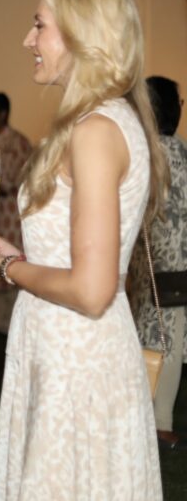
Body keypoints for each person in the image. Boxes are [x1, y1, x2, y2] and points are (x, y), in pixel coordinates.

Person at [0, 0, 167, 500]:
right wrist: (21, 255)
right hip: (59, 351)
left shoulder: (96, 131)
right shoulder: (99, 122)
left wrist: (5, 270)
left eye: (39, 26)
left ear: (80, 36)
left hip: (78, 364)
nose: (28, 40)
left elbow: (93, 289)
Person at [129, 76, 187, 450]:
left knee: (148, 342)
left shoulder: (141, 152)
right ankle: (159, 426)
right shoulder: (179, 152)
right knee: (168, 345)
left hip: (143, 267)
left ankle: (141, 422)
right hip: (176, 271)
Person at [0, 92, 32, 334]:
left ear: (3, 113)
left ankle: (14, 322)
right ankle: (1, 320)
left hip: (13, 210)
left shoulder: (19, 143)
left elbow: (24, 179)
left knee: (11, 262)